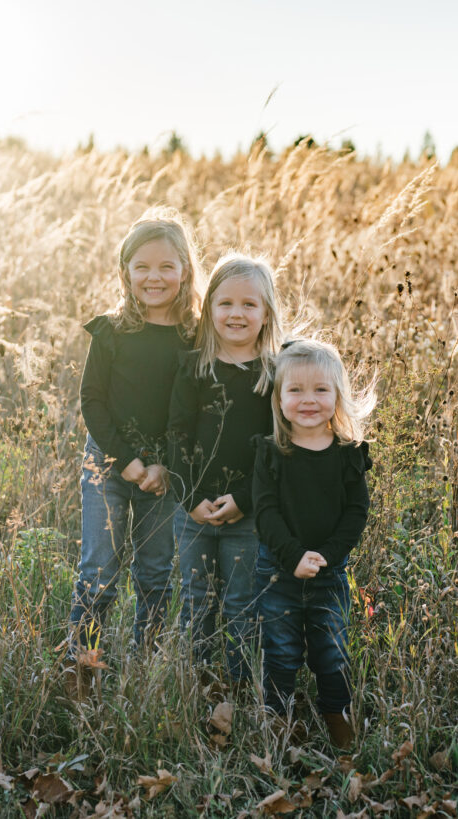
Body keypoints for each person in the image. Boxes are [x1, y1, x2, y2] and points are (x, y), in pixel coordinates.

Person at [67, 207, 204, 694]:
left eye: (167, 266)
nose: (154, 277)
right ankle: (81, 667)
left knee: (154, 573)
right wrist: (128, 462)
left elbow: (192, 410)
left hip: (165, 474)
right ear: (124, 271)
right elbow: (92, 401)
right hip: (107, 464)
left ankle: (144, 668)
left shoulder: (194, 336)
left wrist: (165, 465)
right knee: (99, 569)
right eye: (142, 266)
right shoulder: (111, 331)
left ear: (186, 269)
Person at [167, 253, 284, 689]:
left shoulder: (275, 374)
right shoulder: (194, 366)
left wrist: (244, 502)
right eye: (226, 303)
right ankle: (193, 683)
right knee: (196, 600)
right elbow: (176, 437)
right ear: (209, 307)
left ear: (266, 311)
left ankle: (237, 684)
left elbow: (277, 449)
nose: (236, 314)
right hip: (192, 511)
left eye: (249, 305)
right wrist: (190, 498)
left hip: (247, 516)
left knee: (240, 601)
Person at [252, 338, 375, 749]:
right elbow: (265, 512)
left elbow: (356, 513)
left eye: (321, 390)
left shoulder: (348, 453)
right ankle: (278, 731)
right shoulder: (271, 452)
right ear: (279, 396)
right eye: (296, 390)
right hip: (278, 571)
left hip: (329, 572)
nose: (309, 400)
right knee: (281, 654)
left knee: (332, 654)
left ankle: (341, 732)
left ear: (338, 395)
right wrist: (292, 557)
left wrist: (327, 555)